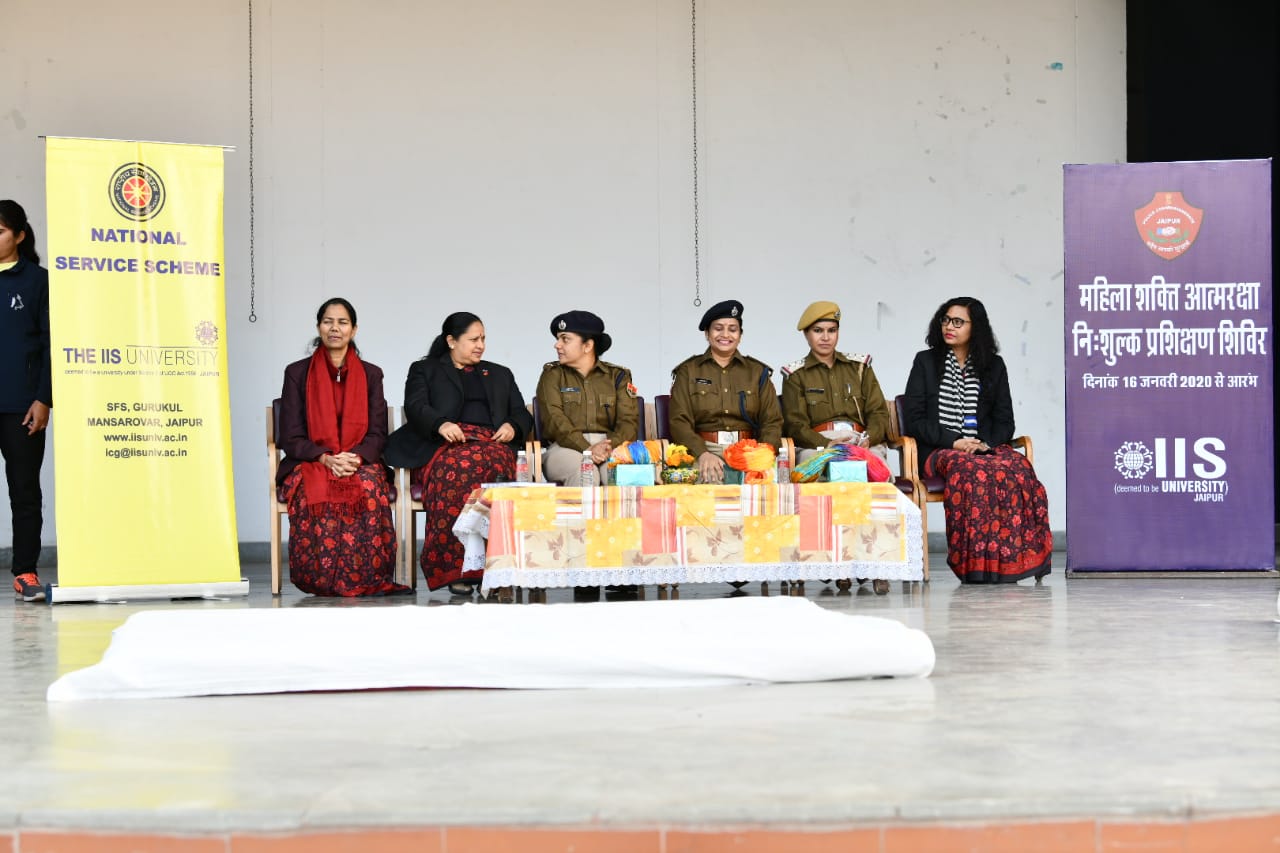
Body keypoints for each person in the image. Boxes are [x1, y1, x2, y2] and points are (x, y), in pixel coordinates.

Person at [902, 296, 1052, 583]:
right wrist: (955, 442)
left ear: (976, 327)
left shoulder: (993, 366)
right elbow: (915, 419)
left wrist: (984, 445)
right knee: (972, 470)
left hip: (984, 447)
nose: (949, 326)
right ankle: (976, 565)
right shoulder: (925, 362)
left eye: (958, 322)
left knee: (1018, 467)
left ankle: (1013, 560)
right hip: (939, 449)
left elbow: (1005, 421)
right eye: (946, 320)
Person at [385, 312, 532, 596]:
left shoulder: (500, 373)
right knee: (460, 468)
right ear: (451, 341)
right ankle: (458, 568)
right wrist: (441, 424)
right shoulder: (425, 369)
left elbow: (521, 413)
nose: (481, 345)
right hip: (443, 445)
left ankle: (497, 567)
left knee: (493, 469)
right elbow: (415, 406)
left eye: (483, 339)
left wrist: (513, 426)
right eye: (474, 339)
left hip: (492, 446)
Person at [276, 298, 409, 597]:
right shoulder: (297, 373)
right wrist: (324, 458)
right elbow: (291, 435)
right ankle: (322, 579)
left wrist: (356, 458)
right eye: (328, 322)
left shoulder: (371, 374)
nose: (334, 328)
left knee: (369, 487)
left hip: (358, 459)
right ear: (318, 327)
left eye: (342, 322)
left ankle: (368, 577)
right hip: (311, 460)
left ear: (354, 329)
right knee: (314, 489)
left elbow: (377, 433)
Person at [669, 300, 783, 484]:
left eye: (732, 329)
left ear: (740, 335)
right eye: (718, 328)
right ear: (707, 333)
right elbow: (678, 421)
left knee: (764, 489)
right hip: (705, 450)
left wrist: (762, 454)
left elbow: (772, 421)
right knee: (708, 488)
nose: (725, 334)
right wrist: (702, 453)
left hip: (748, 451)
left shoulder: (756, 372)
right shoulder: (688, 371)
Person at [1, 201, 51, 603]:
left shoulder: (38, 281)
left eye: (0, 231)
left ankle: (25, 572)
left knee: (25, 493)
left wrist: (44, 399)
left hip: (21, 405)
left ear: (18, 236)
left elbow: (52, 344)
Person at [781, 300, 890, 464]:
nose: (825, 337)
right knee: (814, 467)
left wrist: (868, 438)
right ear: (806, 334)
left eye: (832, 330)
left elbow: (878, 413)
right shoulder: (796, 375)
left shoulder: (860, 368)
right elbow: (796, 425)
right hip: (818, 445)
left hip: (860, 440)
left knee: (877, 468)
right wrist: (827, 444)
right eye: (818, 331)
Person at [535, 310, 638, 485]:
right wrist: (587, 448)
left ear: (588, 346)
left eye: (565, 339)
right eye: (558, 339)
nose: (557, 345)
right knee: (586, 472)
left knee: (619, 476)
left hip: (610, 447)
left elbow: (628, 421)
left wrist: (607, 446)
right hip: (565, 447)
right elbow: (554, 419)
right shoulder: (552, 375)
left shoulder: (618, 376)